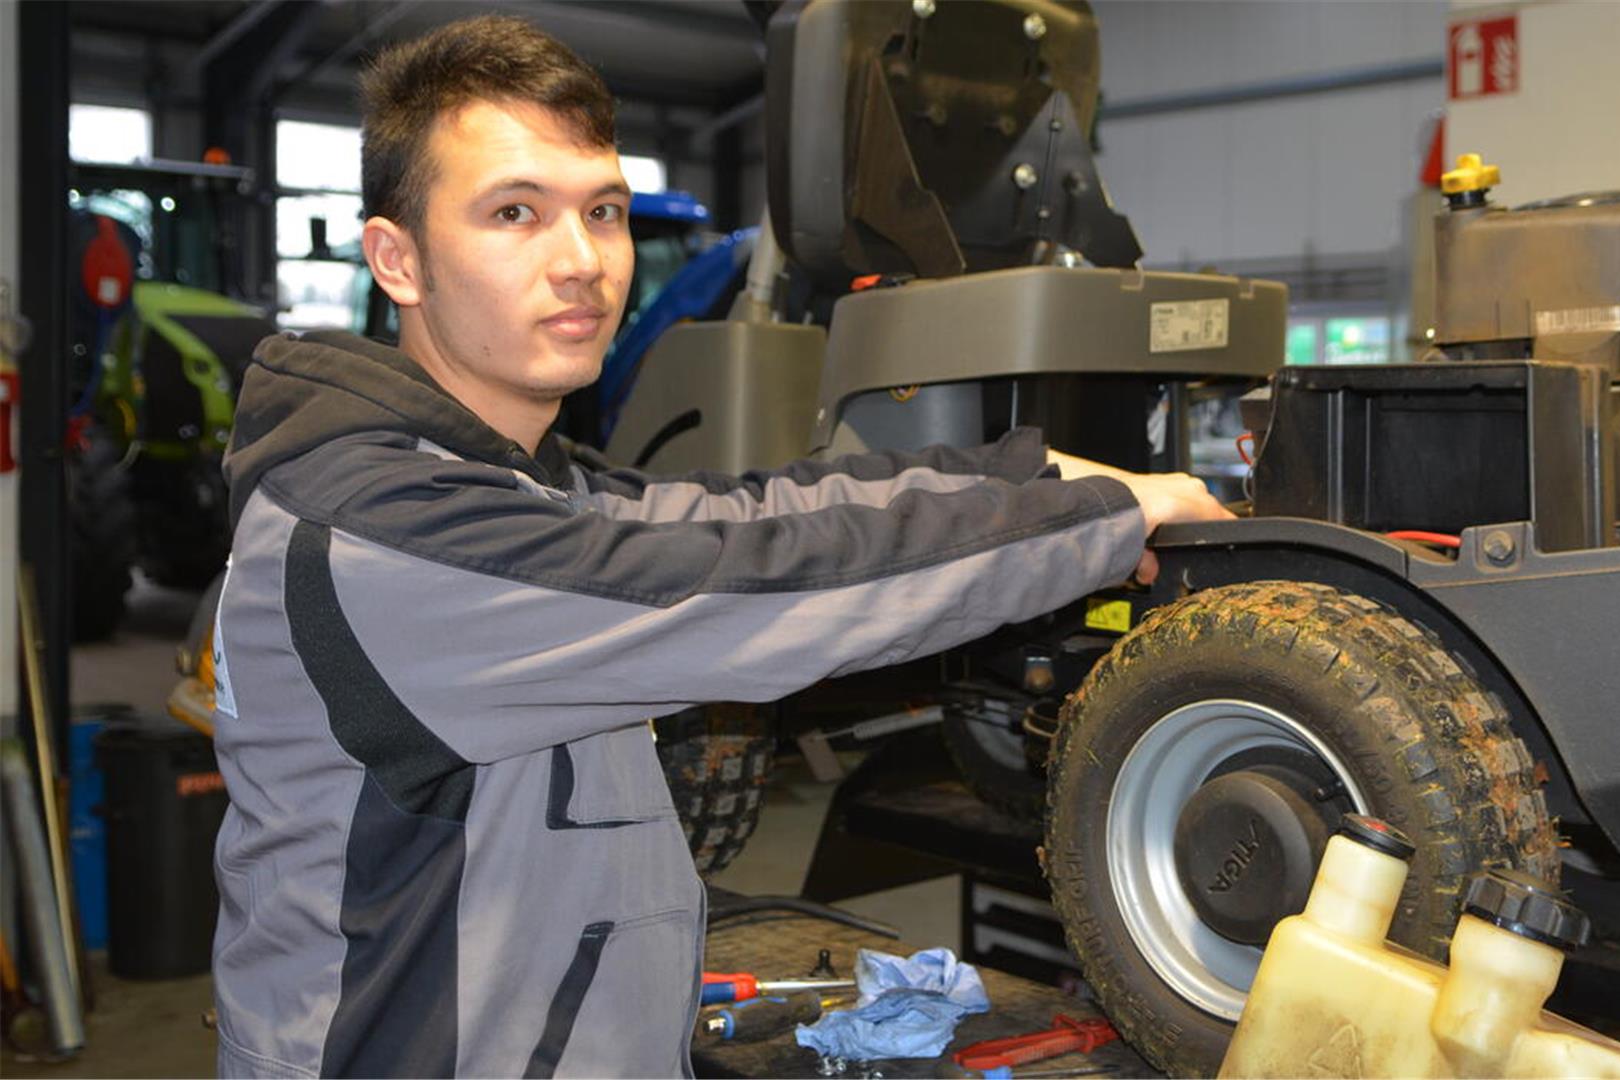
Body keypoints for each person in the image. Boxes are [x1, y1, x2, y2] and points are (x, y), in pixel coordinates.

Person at [208, 14, 1231, 1080]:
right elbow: (743, 586)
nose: (582, 261)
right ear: (398, 260)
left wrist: (1033, 478)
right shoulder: (384, 531)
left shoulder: (516, 486)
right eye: (515, 213)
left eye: (601, 212)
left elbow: (744, 512)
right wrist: (1088, 529)